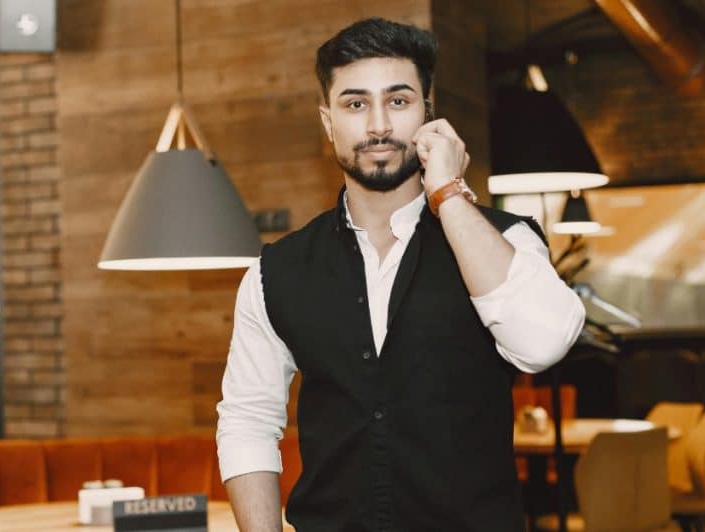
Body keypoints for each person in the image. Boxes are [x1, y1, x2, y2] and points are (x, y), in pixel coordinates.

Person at [216, 17, 586, 532]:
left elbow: (543, 344)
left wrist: (449, 195)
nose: (378, 126)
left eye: (398, 100)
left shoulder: (506, 241)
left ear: (428, 114)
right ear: (328, 122)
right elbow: (248, 420)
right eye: (355, 104)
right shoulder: (274, 272)